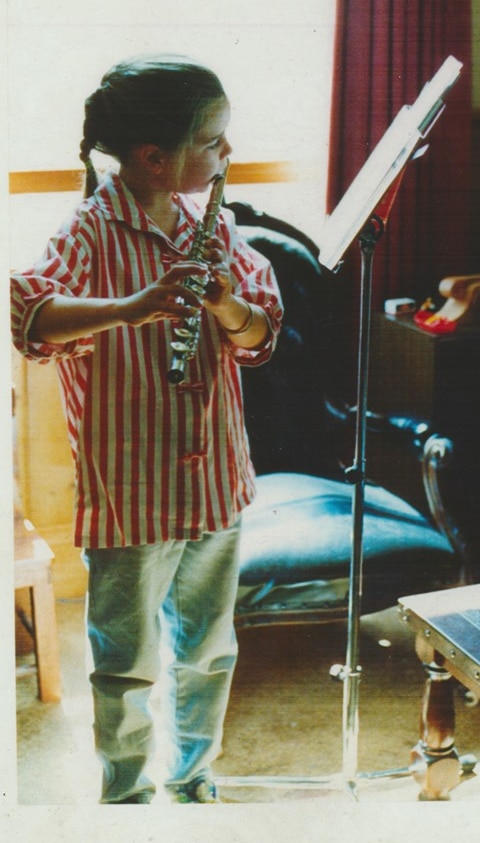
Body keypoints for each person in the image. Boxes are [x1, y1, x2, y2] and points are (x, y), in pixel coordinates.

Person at [10, 54, 283, 804]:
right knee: (126, 661)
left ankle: (193, 775)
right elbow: (27, 313)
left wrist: (225, 304)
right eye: (214, 141)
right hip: (131, 493)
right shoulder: (91, 229)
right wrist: (133, 305)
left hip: (214, 482)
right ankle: (126, 795)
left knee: (208, 651)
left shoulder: (212, 223)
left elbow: (262, 333)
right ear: (153, 158)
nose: (228, 155)